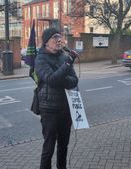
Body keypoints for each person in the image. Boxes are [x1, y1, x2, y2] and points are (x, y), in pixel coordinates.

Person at [34, 27, 79, 169]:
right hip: (49, 109)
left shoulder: (64, 57)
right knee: (49, 147)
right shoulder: (40, 59)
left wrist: (61, 76)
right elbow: (51, 80)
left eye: (60, 37)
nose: (59, 40)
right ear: (47, 41)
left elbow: (74, 81)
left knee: (63, 146)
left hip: (66, 108)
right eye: (55, 37)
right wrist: (67, 65)